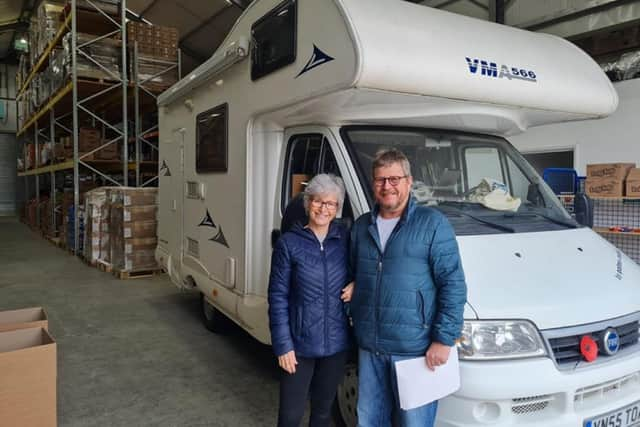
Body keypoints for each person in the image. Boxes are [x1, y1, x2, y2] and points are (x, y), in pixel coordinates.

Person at [348, 149, 467, 427]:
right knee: (369, 421)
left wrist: (443, 339)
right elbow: (352, 275)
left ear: (409, 181)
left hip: (415, 350)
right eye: (379, 180)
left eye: (394, 179)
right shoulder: (362, 226)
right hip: (371, 347)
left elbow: (453, 284)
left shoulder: (432, 224)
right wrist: (352, 308)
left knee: (413, 423)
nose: (386, 186)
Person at [268, 173, 354, 427]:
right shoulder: (289, 244)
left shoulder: (344, 240)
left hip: (336, 345)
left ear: (337, 208)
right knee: (290, 417)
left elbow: (368, 268)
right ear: (308, 203)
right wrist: (283, 345)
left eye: (330, 203)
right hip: (299, 346)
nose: (323, 208)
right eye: (318, 201)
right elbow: (277, 297)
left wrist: (357, 284)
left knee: (322, 413)